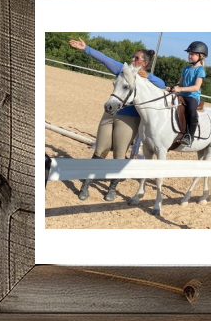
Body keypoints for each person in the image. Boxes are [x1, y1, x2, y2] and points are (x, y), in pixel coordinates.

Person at [69, 37, 166, 201]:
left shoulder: (149, 80)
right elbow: (105, 59)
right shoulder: (122, 70)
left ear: (144, 63)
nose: (132, 59)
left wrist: (148, 76)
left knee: (120, 155)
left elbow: (162, 85)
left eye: (136, 58)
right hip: (110, 115)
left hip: (129, 119)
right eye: (133, 57)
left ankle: (112, 188)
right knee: (100, 150)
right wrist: (86, 48)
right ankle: (86, 184)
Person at [172, 41, 208, 147]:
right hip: (182, 94)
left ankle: (189, 136)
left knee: (191, 112)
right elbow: (180, 82)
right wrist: (174, 87)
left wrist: (181, 88)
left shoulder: (200, 70)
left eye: (192, 54)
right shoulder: (186, 68)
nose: (189, 56)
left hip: (192, 96)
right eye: (189, 54)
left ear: (200, 56)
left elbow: (196, 87)